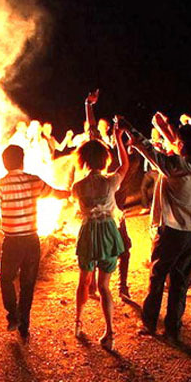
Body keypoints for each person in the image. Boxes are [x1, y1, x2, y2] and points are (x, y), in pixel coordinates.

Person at [123, 117, 191, 343]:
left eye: (177, 142)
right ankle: (173, 328)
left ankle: (149, 323)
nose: (174, 144)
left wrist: (128, 126)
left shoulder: (175, 166)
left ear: (182, 146)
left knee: (157, 278)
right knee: (179, 281)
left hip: (172, 233)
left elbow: (144, 146)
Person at [0, 145, 70, 342]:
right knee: (27, 284)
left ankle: (13, 315)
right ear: (22, 160)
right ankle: (24, 323)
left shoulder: (1, 185)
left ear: (4, 163)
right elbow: (55, 193)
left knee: (6, 279)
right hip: (31, 241)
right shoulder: (33, 180)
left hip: (12, 243)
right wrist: (71, 192)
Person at [72, 124, 129, 350]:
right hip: (108, 233)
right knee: (104, 286)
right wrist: (118, 138)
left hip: (89, 232)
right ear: (105, 159)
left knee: (84, 281)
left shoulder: (78, 186)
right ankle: (110, 333)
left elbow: (78, 207)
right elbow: (124, 165)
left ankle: (77, 322)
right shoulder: (110, 182)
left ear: (83, 160)